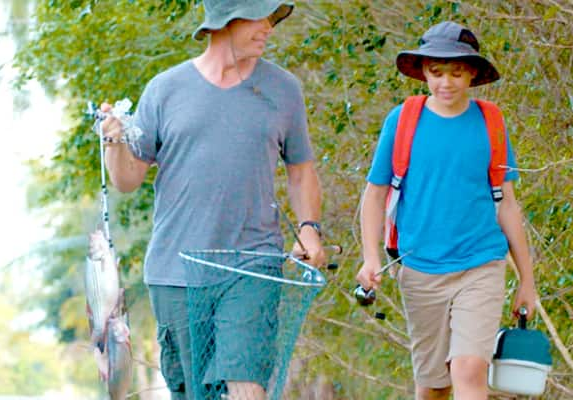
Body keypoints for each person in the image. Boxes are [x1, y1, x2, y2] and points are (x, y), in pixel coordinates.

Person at [100, 1, 326, 399]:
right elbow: (127, 179)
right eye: (260, 17)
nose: (269, 28)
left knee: (246, 385)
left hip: (253, 265)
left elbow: (301, 170)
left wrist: (310, 229)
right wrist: (113, 139)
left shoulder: (283, 89)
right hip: (176, 271)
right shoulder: (165, 89)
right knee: (194, 393)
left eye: (272, 18)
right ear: (226, 20)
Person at [357, 21, 537, 400]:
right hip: (420, 268)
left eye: (456, 73)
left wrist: (527, 280)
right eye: (437, 73)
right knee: (434, 385)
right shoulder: (403, 121)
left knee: (469, 368)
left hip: (481, 263)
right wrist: (370, 257)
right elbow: (374, 195)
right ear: (423, 71)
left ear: (472, 73)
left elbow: (506, 203)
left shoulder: (491, 122)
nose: (446, 83)